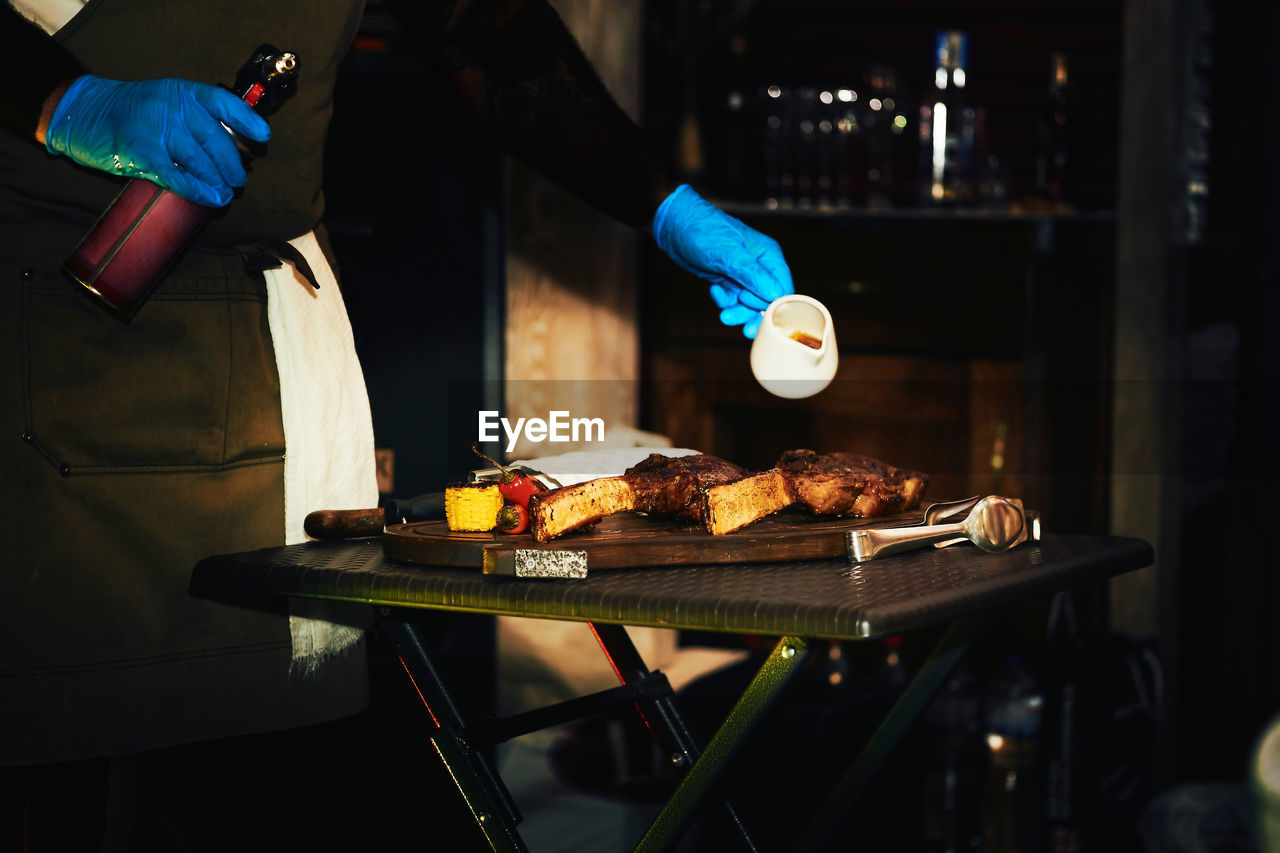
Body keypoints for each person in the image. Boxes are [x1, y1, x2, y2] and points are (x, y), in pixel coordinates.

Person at [0, 0, 793, 847]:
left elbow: (490, 39)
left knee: (253, 779)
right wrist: (63, 101)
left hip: (265, 364)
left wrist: (665, 207)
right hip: (42, 332)